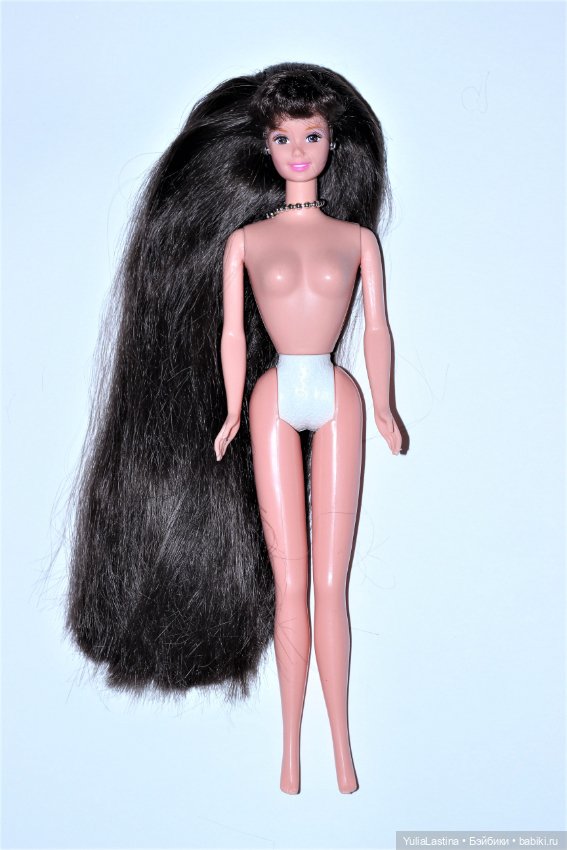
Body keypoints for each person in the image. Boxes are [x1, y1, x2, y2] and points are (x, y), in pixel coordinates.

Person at [66, 61, 402, 794]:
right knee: (290, 582)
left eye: (312, 136)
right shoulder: (246, 241)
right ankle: (291, 752)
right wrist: (226, 412)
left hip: (338, 396)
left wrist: (383, 405)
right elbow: (229, 333)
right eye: (283, 138)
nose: (299, 151)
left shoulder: (357, 240)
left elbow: (376, 327)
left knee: (329, 583)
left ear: (332, 143)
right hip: (272, 396)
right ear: (265, 147)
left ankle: (341, 748)